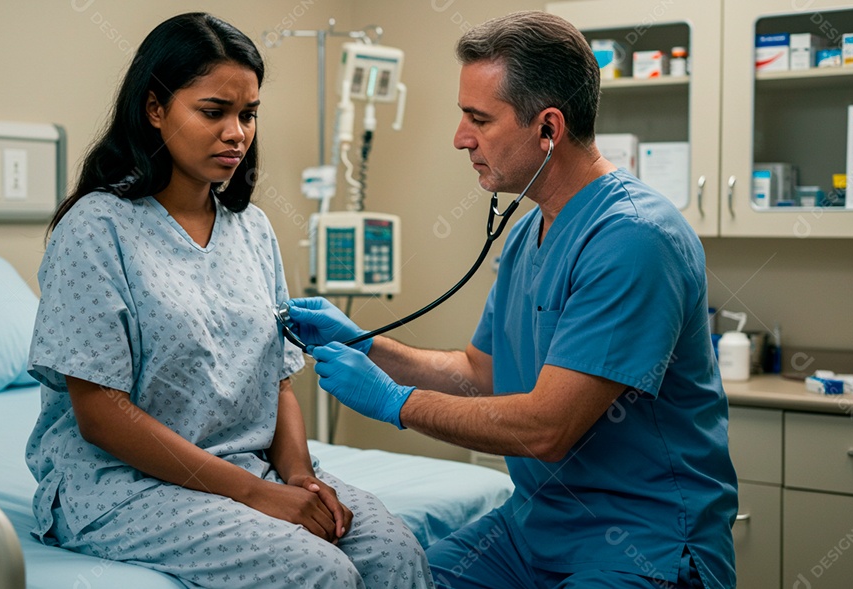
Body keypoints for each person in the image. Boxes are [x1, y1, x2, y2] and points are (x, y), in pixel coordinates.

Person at [285, 10, 737, 589]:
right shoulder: (529, 232)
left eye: (478, 119)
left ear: (548, 128)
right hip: (533, 530)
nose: (460, 138)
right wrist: (368, 347)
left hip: (641, 542)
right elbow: (482, 373)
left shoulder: (634, 238)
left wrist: (395, 403)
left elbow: (548, 427)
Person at [24, 13, 432, 589]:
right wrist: (255, 494)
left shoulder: (252, 228)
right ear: (155, 108)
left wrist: (299, 477)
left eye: (248, 114)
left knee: (395, 553)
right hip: (122, 483)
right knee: (318, 572)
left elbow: (277, 381)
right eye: (213, 112)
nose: (237, 133)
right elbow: (101, 416)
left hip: (249, 468)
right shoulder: (95, 229)